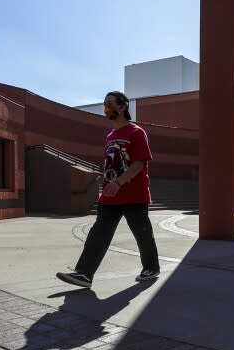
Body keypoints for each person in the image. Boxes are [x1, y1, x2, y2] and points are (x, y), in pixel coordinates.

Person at [56, 91, 160, 288]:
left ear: (123, 107)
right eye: (105, 104)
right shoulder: (110, 136)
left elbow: (139, 164)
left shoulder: (136, 132)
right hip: (110, 195)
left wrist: (119, 182)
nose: (107, 108)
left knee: (142, 233)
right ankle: (84, 274)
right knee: (98, 233)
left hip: (134, 195)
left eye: (110, 104)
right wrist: (107, 186)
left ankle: (151, 267)